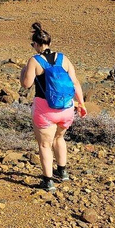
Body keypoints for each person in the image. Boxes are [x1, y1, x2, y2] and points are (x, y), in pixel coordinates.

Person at [19, 22, 86, 191]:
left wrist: (23, 72)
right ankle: (62, 172)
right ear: (49, 42)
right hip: (66, 109)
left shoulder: (34, 61)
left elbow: (26, 84)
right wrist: (81, 103)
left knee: (44, 145)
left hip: (45, 110)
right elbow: (75, 82)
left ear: (35, 44)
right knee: (59, 138)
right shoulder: (64, 59)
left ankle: (48, 181)